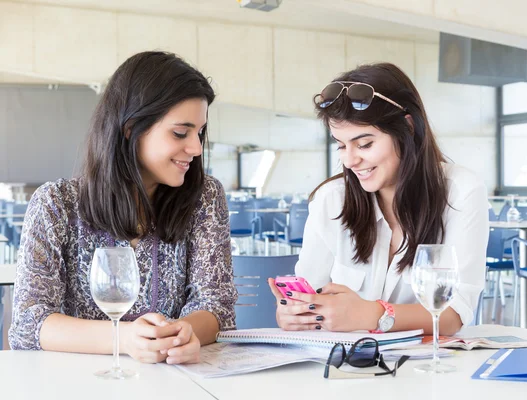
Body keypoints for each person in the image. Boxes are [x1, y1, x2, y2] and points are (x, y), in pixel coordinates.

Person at [9, 51, 237, 364]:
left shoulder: (205, 197)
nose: (196, 148)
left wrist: (183, 333)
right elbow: (28, 324)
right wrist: (126, 338)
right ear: (131, 128)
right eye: (181, 133)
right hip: (77, 382)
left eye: (200, 133)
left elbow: (217, 307)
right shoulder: (57, 205)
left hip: (174, 382)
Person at [268, 63, 488, 335]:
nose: (349, 160)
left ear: (407, 128)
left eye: (364, 144)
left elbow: (454, 314)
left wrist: (373, 314)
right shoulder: (330, 200)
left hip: (423, 368)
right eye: (340, 145)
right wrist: (291, 314)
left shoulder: (461, 191)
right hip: (342, 367)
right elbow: (308, 296)